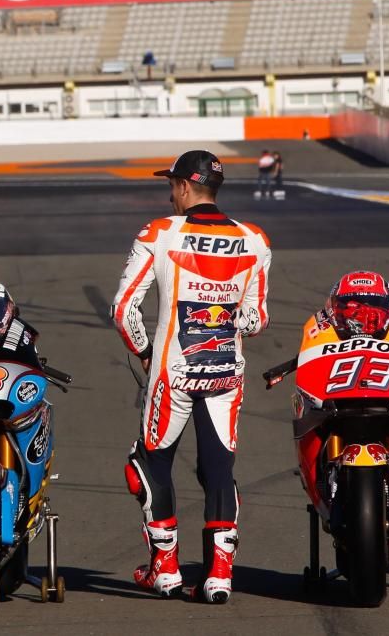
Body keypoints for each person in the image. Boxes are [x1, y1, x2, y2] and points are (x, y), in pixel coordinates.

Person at [112, 150, 272, 604]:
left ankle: (165, 570)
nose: (170, 192)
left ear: (184, 187)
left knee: (147, 463)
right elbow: (257, 319)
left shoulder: (160, 232)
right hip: (225, 373)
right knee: (219, 467)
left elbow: (124, 311)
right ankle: (219, 574)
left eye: (172, 185)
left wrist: (144, 351)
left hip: (172, 372)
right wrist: (223, 323)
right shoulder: (255, 239)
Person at [297, 271, 389, 526]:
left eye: (373, 306)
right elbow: (310, 349)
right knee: (306, 410)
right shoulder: (320, 327)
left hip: (386, 395)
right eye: (349, 306)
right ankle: (326, 483)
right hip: (340, 396)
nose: (361, 314)